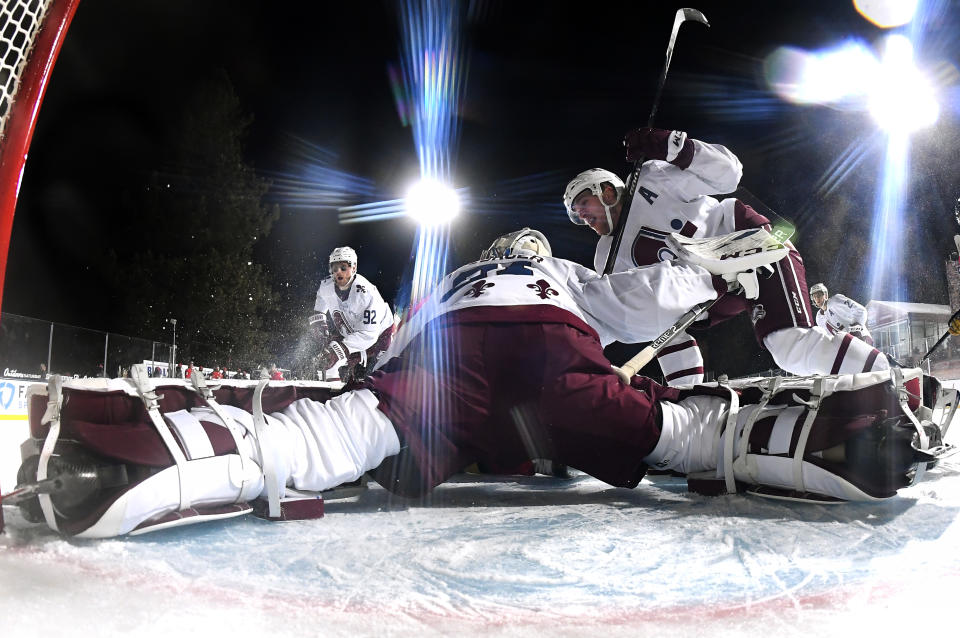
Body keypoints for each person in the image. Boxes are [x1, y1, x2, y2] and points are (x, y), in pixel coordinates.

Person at [12, 229, 940, 538]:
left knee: (333, 438)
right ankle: (834, 440)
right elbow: (631, 299)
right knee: (673, 435)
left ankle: (122, 453)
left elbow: (387, 360)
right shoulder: (555, 276)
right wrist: (706, 281)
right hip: (549, 355)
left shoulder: (450, 282)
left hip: (449, 358)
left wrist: (370, 391)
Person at [563, 128, 890, 386]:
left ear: (607, 191)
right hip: (712, 293)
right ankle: (688, 403)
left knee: (789, 346)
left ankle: (889, 380)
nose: (583, 218)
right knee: (662, 324)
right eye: (576, 216)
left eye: (584, 206)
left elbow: (729, 174)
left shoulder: (651, 178)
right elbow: (650, 320)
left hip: (747, 247)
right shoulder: (606, 256)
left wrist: (674, 147)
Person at [310, 246, 394, 383]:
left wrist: (341, 348)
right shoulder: (326, 286)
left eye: (343, 268)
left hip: (379, 335)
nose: (338, 272)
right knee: (331, 355)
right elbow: (320, 303)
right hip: (352, 331)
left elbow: (369, 335)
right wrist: (319, 325)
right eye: (334, 268)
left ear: (354, 268)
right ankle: (332, 377)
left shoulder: (366, 294)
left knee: (380, 375)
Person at [809, 283, 873, 345]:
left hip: (862, 339)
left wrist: (855, 330)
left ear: (825, 295)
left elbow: (861, 310)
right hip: (847, 346)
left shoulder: (836, 300)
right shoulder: (819, 318)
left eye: (819, 295)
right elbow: (829, 337)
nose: (817, 299)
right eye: (814, 297)